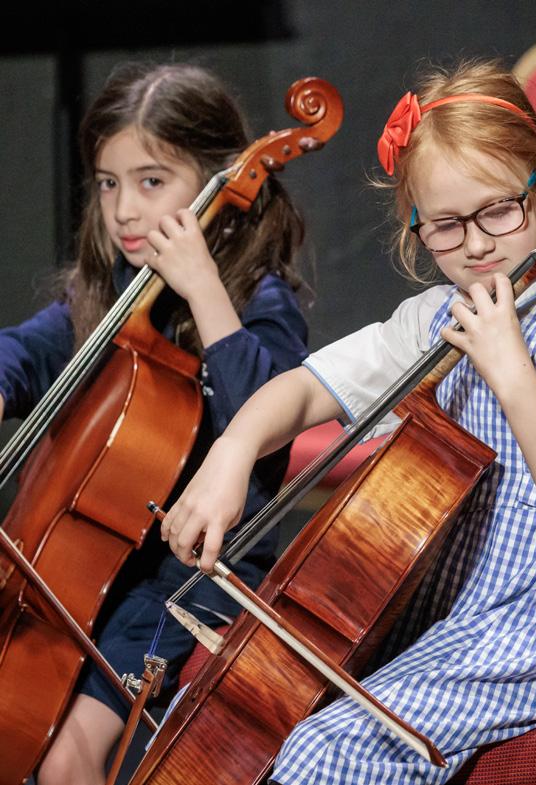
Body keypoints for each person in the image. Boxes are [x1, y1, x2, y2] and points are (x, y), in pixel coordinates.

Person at [161, 58, 536, 785]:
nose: (477, 245)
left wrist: (513, 376)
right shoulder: (430, 322)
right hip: (442, 618)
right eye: (446, 226)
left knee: (326, 751)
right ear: (415, 228)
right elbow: (302, 390)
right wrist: (229, 454)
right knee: (238, 711)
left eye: (498, 211)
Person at [0, 62, 308, 785]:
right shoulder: (112, 293)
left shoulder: (259, 300)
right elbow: (26, 349)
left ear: (217, 182)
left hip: (185, 576)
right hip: (85, 571)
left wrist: (203, 290)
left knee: (69, 757)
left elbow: (266, 411)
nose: (124, 210)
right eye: (108, 184)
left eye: (151, 181)